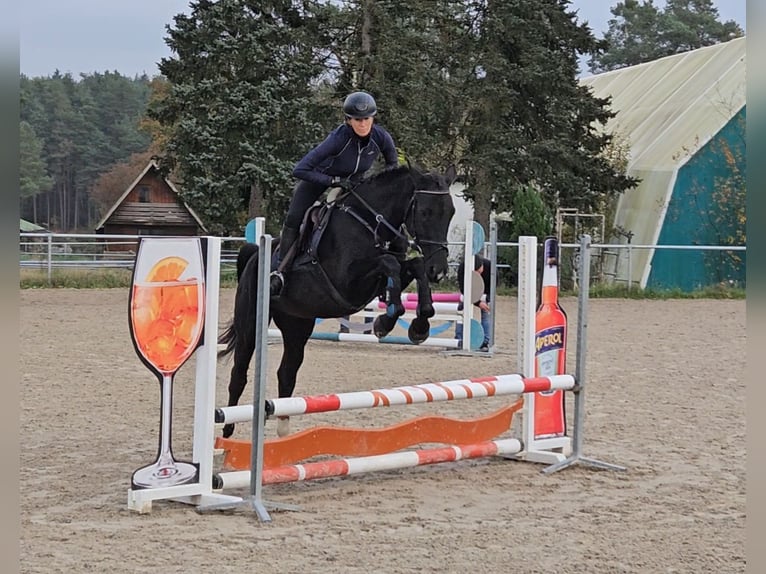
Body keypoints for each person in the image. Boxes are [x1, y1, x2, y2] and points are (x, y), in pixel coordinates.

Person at [270, 91, 399, 296]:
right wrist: (333, 181)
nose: (363, 124)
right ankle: (280, 272)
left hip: (354, 182)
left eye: (367, 119)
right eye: (357, 120)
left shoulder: (381, 137)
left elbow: (393, 166)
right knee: (294, 217)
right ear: (348, 121)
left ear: (373, 118)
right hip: (320, 178)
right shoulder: (338, 139)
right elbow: (300, 169)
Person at [455, 254, 492, 351]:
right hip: (468, 291)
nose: (477, 275)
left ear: (482, 266)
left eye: (478, 271)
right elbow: (463, 289)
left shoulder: (489, 267)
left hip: (485, 291)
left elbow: (493, 286)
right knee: (461, 309)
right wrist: (478, 303)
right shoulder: (463, 268)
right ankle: (459, 339)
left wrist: (486, 299)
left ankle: (485, 341)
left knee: (486, 313)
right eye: (474, 273)